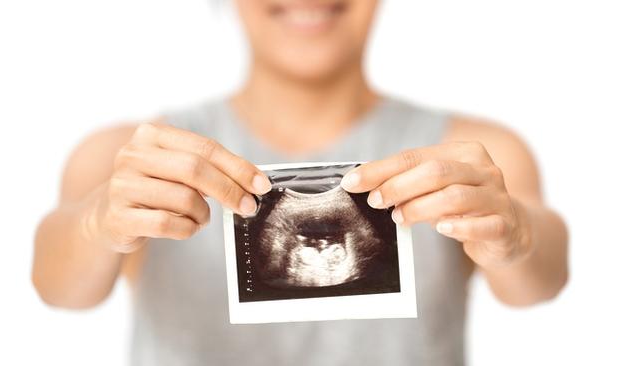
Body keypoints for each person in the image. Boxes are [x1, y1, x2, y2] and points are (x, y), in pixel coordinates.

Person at [32, 1, 568, 365]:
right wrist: (97, 222)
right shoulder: (128, 158)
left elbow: (542, 280)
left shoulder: (475, 156)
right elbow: (58, 289)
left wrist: (516, 236)